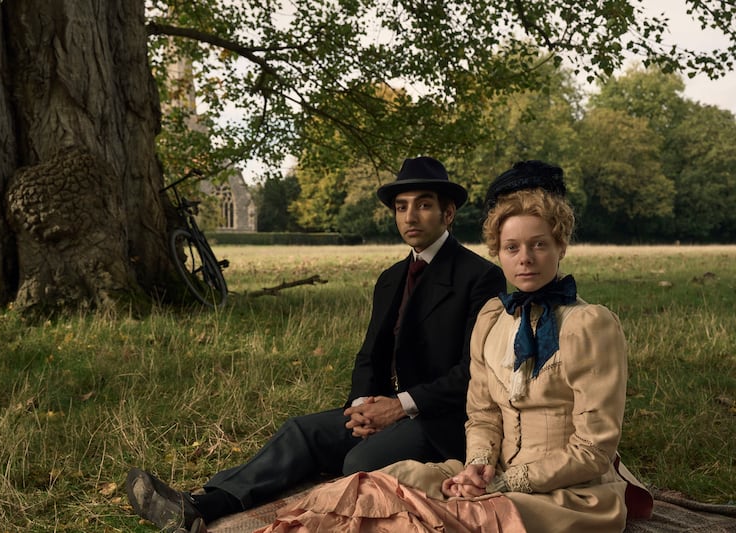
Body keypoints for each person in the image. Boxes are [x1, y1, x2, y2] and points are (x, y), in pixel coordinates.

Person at [248, 160, 654, 533]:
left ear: (560, 246)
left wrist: (498, 481)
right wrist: (477, 466)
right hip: (489, 473)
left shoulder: (588, 324)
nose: (525, 259)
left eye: (539, 245)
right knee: (368, 488)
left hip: (566, 493)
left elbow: (593, 450)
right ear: (499, 252)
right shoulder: (494, 319)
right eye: (512, 248)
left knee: (427, 519)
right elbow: (481, 416)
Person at [125, 156, 506, 531]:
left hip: (439, 420)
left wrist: (399, 408)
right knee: (301, 431)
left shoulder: (479, 277)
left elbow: (471, 374)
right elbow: (368, 356)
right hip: (382, 410)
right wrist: (361, 406)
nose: (410, 217)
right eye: (401, 207)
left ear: (448, 213)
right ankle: (204, 505)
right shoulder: (390, 278)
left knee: (356, 462)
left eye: (423, 205)